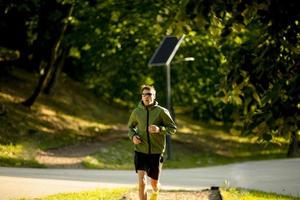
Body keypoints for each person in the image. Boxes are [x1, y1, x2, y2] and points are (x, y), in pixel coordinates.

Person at [128, 85, 177, 200]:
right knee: (142, 182)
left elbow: (173, 128)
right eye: (144, 94)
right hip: (140, 151)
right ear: (141, 96)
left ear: (154, 96)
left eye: (149, 94)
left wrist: (159, 129)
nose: (146, 96)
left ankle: (155, 191)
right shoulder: (136, 112)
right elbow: (130, 128)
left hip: (156, 152)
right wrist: (133, 136)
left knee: (154, 183)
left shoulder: (161, 112)